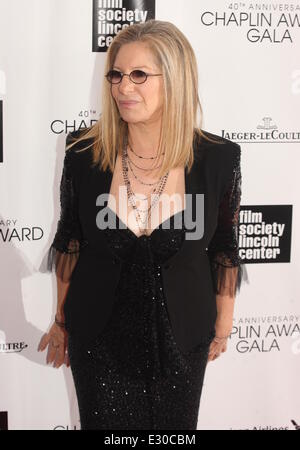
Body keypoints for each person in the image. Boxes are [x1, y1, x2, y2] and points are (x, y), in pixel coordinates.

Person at [38, 19, 247, 430]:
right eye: (116, 74)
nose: (122, 87)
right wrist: (61, 321)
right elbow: (70, 240)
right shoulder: (83, 154)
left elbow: (224, 246)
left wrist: (223, 324)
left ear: (176, 80)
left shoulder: (219, 159)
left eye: (139, 75)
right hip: (97, 339)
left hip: (183, 338)